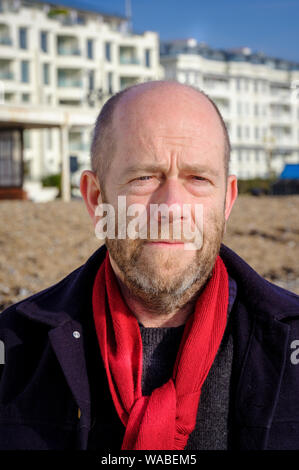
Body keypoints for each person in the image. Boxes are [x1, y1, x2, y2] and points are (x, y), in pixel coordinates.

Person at [0, 80, 298, 451]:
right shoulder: (13, 348)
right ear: (96, 198)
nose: (172, 207)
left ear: (227, 200)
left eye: (199, 179)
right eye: (144, 177)